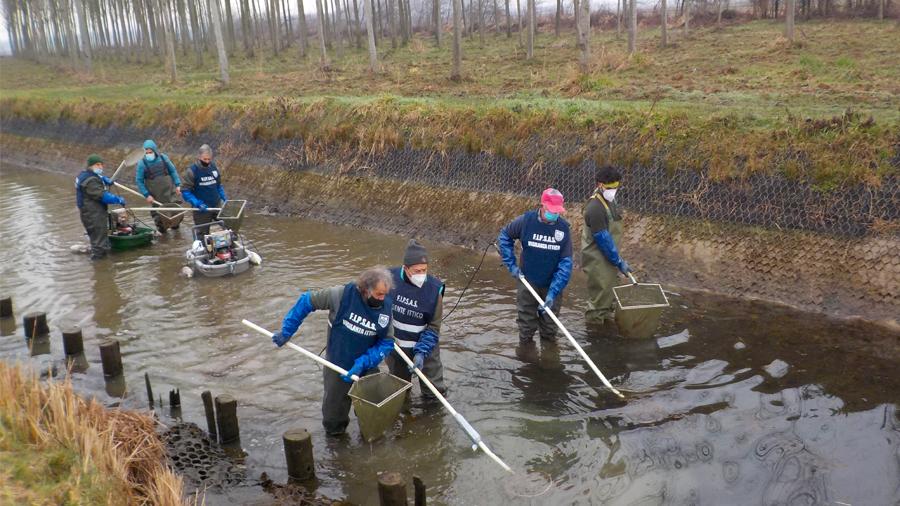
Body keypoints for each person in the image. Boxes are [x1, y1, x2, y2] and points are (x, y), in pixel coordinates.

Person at [270, 267, 395, 436]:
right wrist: (287, 330)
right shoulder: (340, 295)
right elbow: (307, 301)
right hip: (337, 364)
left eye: (385, 294)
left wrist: (364, 362)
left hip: (367, 367)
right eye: (379, 294)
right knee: (333, 418)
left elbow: (386, 343)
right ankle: (337, 450)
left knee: (371, 415)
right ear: (366, 290)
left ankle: (369, 440)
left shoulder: (386, 308)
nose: (382, 298)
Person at [497, 188, 573, 343]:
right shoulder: (526, 221)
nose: (555, 214)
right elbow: (505, 236)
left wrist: (554, 291)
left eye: (558, 211)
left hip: (552, 283)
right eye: (552, 210)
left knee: (550, 329)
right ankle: (526, 357)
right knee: (526, 327)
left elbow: (566, 263)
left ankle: (547, 358)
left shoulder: (563, 229)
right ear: (543, 205)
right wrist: (511, 265)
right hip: (528, 280)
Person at [385, 240, 447, 398]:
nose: (421, 275)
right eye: (417, 270)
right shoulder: (388, 279)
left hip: (425, 348)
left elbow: (433, 328)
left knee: (434, 394)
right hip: (396, 348)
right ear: (406, 268)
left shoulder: (434, 290)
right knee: (400, 393)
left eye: (424, 270)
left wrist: (420, 353)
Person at [582, 166, 632, 325]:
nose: (613, 191)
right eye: (610, 188)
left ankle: (607, 327)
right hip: (597, 259)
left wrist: (616, 259)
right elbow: (602, 238)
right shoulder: (594, 208)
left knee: (610, 296)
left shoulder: (610, 201)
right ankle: (594, 335)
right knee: (599, 301)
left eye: (616, 187)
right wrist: (618, 261)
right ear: (599, 185)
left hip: (609, 256)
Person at [75, 154, 126, 260]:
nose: (101, 167)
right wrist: (118, 199)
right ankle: (100, 270)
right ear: (91, 165)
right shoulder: (90, 181)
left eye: (101, 164)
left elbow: (93, 178)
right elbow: (103, 196)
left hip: (90, 213)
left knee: (99, 239)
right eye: (98, 165)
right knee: (99, 245)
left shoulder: (84, 175)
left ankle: (102, 261)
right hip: (93, 215)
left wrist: (103, 178)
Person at [135, 139, 181, 232]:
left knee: (176, 212)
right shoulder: (142, 164)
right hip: (155, 196)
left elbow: (173, 171)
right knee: (159, 218)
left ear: (155, 151)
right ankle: (162, 232)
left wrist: (177, 184)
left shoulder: (163, 158)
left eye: (150, 152)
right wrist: (146, 195)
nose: (148, 154)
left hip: (169, 191)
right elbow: (139, 181)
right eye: (146, 152)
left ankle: (176, 228)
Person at [181, 144, 227, 236]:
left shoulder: (214, 168)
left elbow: (218, 185)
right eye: (204, 159)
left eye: (209, 159)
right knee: (202, 234)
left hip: (217, 205)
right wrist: (196, 203)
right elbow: (185, 191)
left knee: (228, 227)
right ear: (199, 157)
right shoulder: (192, 171)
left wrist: (224, 198)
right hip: (201, 209)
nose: (207, 161)